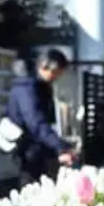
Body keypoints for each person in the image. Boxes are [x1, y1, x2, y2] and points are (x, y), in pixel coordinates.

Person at [6, 49, 76, 188]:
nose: (56, 77)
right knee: (32, 191)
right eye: (55, 72)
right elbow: (36, 123)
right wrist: (61, 146)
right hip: (30, 151)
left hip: (37, 149)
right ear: (44, 66)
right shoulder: (27, 88)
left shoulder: (38, 85)